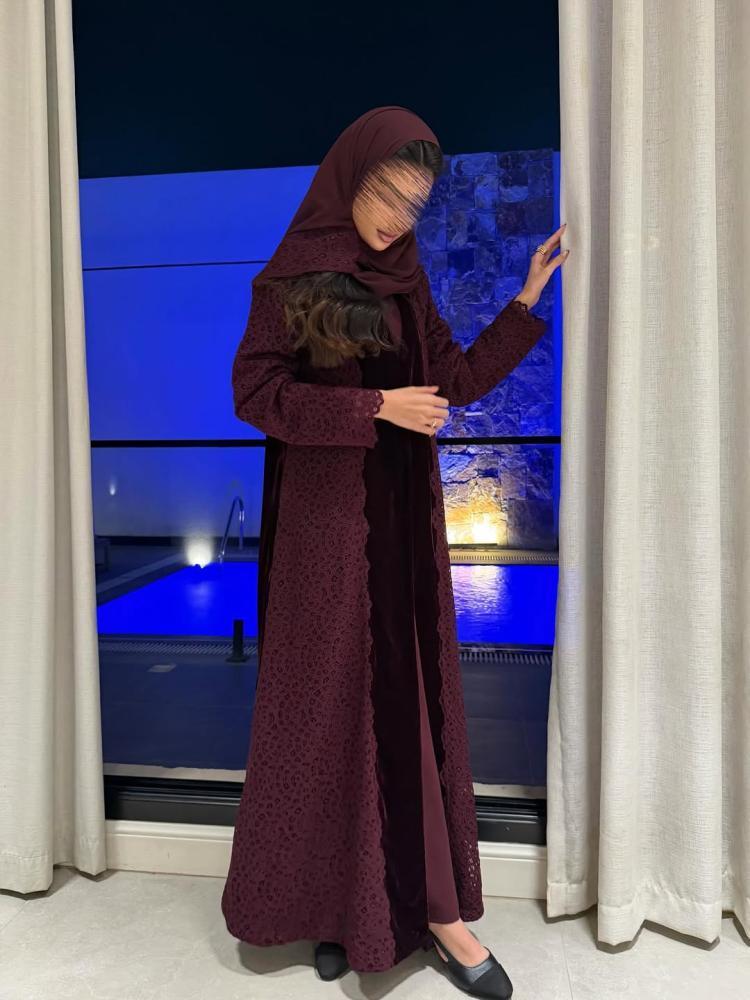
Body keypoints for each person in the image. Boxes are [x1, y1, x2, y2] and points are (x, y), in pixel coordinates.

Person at [221, 105, 568, 999]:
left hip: (405, 533)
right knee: (326, 718)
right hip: (326, 539)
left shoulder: (408, 284)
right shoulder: (290, 280)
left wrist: (527, 298)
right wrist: (373, 407)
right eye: (387, 194)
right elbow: (255, 395)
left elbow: (455, 381)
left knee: (405, 711)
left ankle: (433, 913)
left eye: (415, 203)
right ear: (350, 178)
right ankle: (338, 911)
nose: (397, 218)